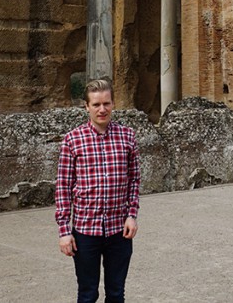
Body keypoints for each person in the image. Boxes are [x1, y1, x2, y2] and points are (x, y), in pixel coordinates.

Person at [55, 78, 142, 303]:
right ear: (86, 106)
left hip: (118, 230)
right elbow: (63, 187)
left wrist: (132, 215)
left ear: (113, 103)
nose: (102, 109)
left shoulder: (127, 137)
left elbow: (134, 179)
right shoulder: (72, 140)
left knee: (116, 293)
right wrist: (64, 231)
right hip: (85, 231)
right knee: (87, 294)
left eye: (106, 103)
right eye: (96, 104)